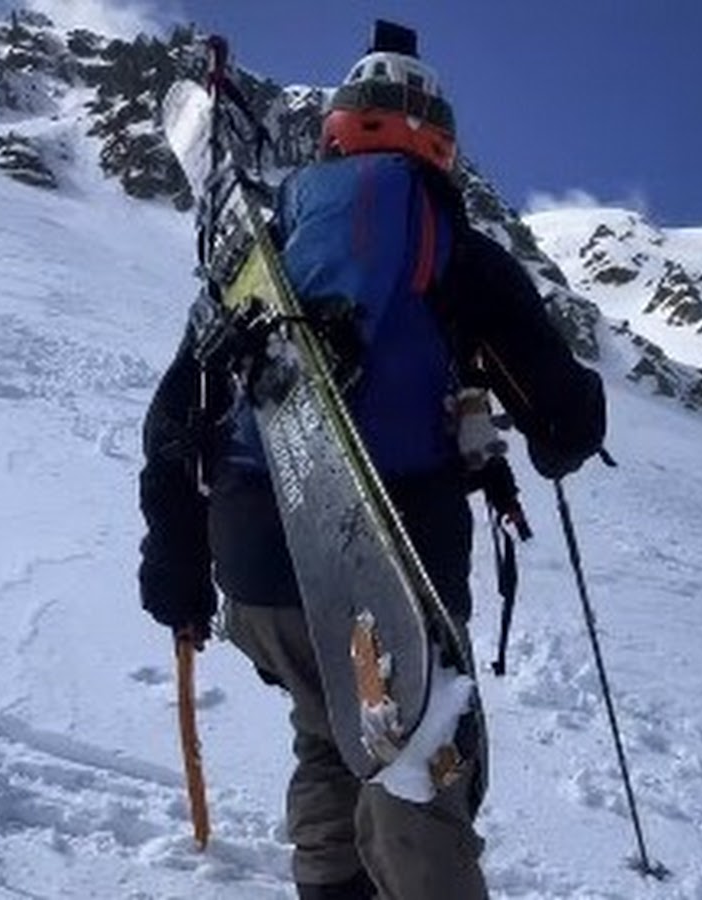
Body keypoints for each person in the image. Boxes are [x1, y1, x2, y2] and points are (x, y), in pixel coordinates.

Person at [139, 21, 605, 900]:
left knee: (328, 730)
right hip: (392, 561)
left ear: (337, 130)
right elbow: (564, 422)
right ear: (441, 145)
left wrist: (174, 557)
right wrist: (561, 424)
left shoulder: (263, 249)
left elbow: (178, 409)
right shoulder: (460, 252)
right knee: (416, 763)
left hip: (253, 561)